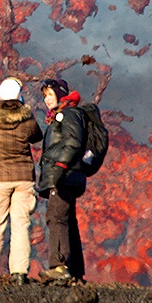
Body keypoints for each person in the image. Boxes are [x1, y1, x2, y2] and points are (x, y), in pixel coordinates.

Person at [0, 76, 43, 288]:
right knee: (21, 225)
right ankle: (19, 273)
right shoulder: (27, 121)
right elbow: (37, 136)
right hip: (23, 179)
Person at [37, 78, 88, 283]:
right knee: (67, 220)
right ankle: (74, 269)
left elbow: (73, 143)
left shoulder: (67, 114)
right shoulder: (63, 115)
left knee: (56, 218)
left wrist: (60, 167)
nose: (47, 100)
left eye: (50, 95)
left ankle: (60, 266)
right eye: (45, 96)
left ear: (60, 94)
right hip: (66, 176)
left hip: (63, 177)